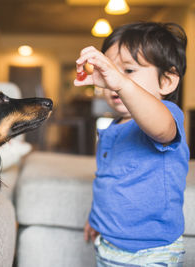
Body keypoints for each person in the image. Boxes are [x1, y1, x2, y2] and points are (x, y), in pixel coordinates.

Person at [74, 22, 190, 266]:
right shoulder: (112, 127)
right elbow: (107, 179)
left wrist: (121, 83)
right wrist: (96, 219)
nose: (114, 78)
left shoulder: (167, 115)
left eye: (128, 70)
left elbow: (160, 128)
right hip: (108, 246)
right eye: (110, 70)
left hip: (152, 252)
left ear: (167, 81)